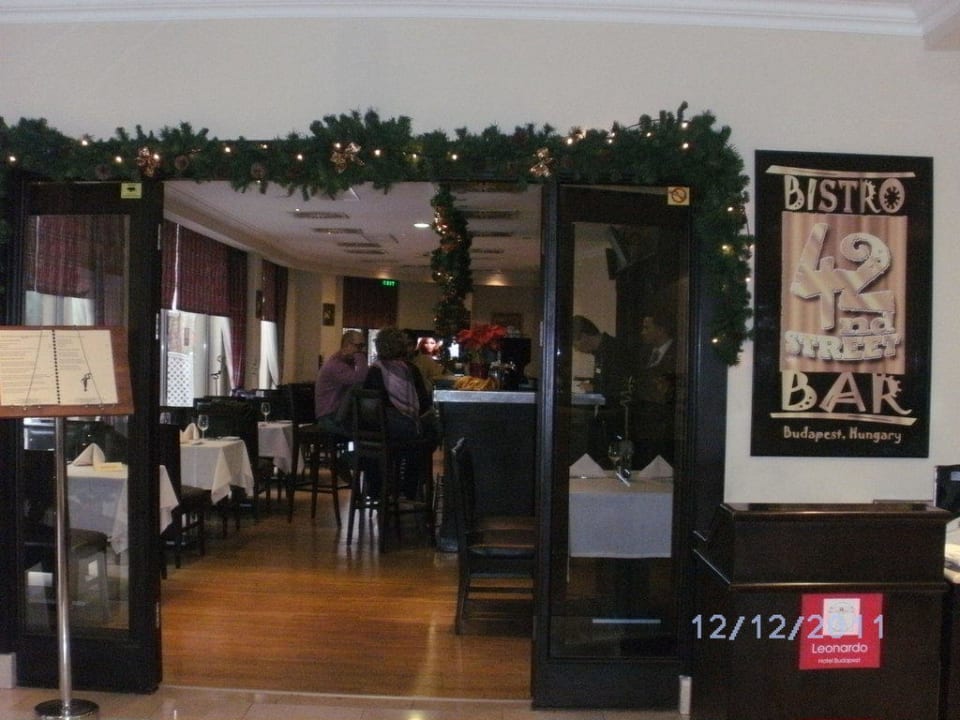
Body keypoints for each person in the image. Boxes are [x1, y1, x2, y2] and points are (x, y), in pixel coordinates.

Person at [363, 327, 438, 499]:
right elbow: (424, 405)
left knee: (411, 441)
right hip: (404, 433)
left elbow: (368, 407)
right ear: (403, 346)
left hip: (377, 434)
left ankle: (380, 488)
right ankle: (410, 488)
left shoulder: (374, 370)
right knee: (429, 437)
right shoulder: (411, 370)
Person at [314, 330, 369, 434]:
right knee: (364, 431)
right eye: (359, 346)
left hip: (336, 415)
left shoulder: (345, 362)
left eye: (363, 346)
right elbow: (362, 379)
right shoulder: (335, 365)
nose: (362, 350)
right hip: (329, 418)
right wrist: (360, 356)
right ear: (347, 345)